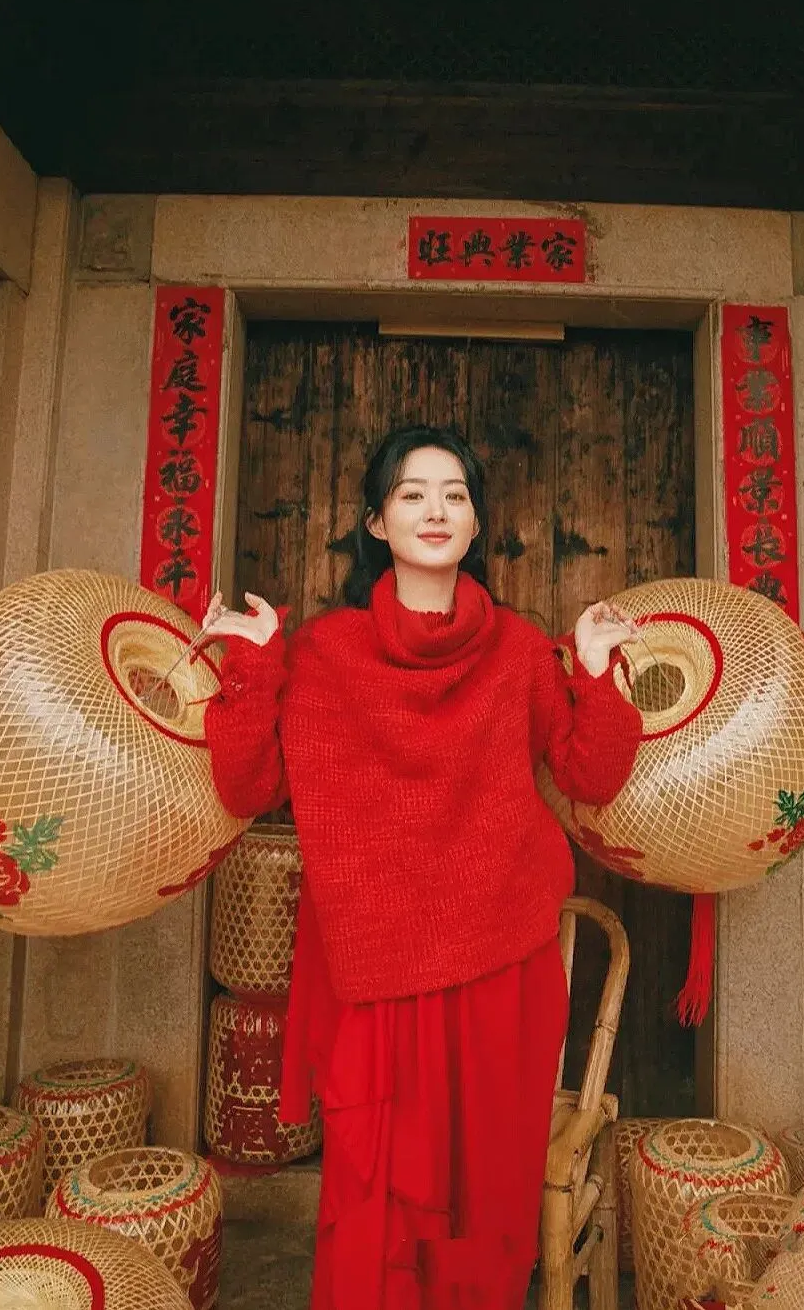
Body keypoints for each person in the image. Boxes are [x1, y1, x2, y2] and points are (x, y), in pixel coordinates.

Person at [202, 424, 643, 1310]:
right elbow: (247, 785)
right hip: (374, 976)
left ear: (477, 524)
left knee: (486, 1201)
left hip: (501, 965)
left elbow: (590, 777)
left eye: (455, 494)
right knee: (373, 1204)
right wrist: (251, 662)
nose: (435, 510)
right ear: (376, 521)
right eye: (412, 493)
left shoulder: (519, 651)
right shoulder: (324, 652)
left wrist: (595, 671)